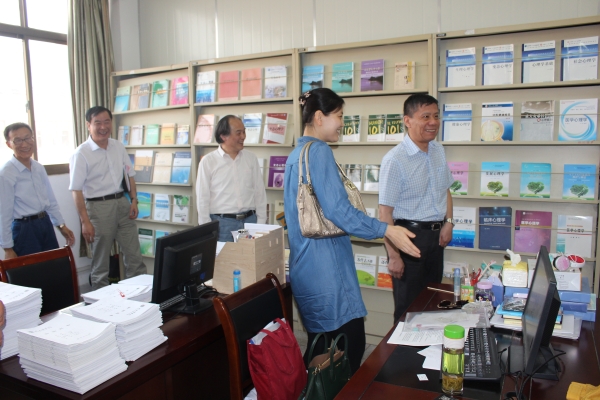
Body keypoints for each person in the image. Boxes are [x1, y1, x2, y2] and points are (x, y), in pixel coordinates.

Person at [283, 88, 421, 374]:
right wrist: (386, 229)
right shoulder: (319, 151)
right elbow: (338, 211)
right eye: (339, 116)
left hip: (307, 267)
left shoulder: (296, 154)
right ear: (319, 117)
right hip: (327, 270)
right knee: (347, 350)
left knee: (322, 349)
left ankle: (310, 391)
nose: (342, 124)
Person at [379, 94, 455, 322]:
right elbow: (384, 213)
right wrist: (394, 255)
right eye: (425, 117)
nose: (433, 122)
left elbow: (445, 190)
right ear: (407, 120)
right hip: (408, 239)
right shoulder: (395, 160)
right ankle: (401, 346)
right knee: (408, 310)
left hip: (436, 239)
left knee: (432, 302)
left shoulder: (438, 150)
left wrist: (449, 223)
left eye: (436, 116)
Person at [69, 106, 146, 289]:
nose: (103, 127)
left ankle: (138, 295)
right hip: (98, 208)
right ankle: (100, 301)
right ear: (88, 125)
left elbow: (130, 175)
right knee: (101, 262)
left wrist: (133, 200)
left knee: (134, 256)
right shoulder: (81, 153)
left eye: (106, 122)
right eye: (97, 123)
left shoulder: (118, 146)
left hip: (122, 203)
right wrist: (85, 222)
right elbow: (76, 190)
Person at [0, 123, 75, 259]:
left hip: (45, 222)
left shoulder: (38, 168)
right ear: (9, 144)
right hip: (24, 229)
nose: (24, 144)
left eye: (28, 138)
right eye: (18, 140)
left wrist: (61, 225)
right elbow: (4, 214)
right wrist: (8, 249)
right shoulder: (6, 173)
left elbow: (50, 201)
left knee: (52, 266)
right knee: (30, 270)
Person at [196, 115, 267, 242]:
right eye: (238, 133)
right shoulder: (208, 162)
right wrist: (207, 230)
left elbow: (259, 192)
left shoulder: (251, 158)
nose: (243, 136)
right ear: (223, 136)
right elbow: (202, 199)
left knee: (249, 256)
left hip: (250, 222)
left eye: (244, 132)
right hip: (222, 225)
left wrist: (260, 222)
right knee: (223, 256)